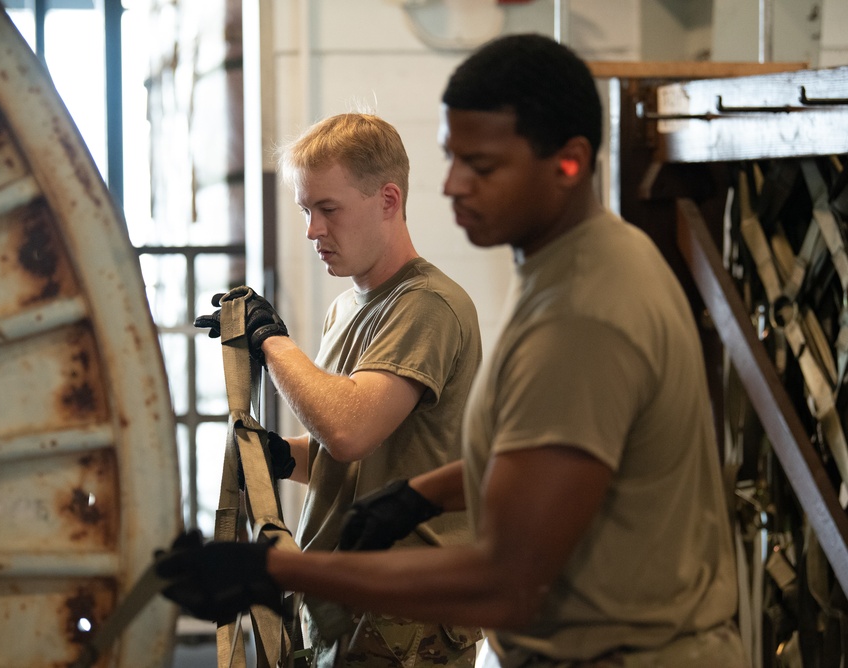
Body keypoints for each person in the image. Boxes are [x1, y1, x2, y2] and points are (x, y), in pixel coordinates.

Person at [164, 34, 745, 667]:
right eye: (452, 158)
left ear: (569, 163)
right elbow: (536, 459)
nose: (452, 186)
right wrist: (424, 493)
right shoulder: (564, 271)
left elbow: (506, 576)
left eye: (484, 166)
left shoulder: (585, 308)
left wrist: (278, 571)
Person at [193, 112, 484, 667]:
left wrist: (271, 343)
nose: (312, 231)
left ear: (388, 200)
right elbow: (349, 460)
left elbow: (349, 429)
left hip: (404, 620)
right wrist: (279, 457)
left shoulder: (425, 305)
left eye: (328, 209)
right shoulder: (345, 308)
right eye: (306, 210)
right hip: (344, 610)